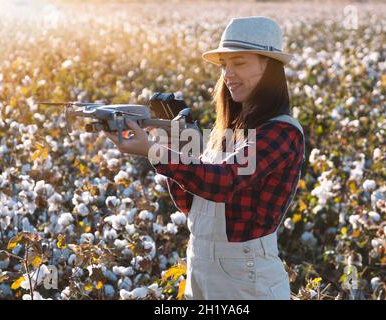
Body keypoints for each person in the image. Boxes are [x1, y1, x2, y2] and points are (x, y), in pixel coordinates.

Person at [105, 16, 305, 300]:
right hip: (200, 264)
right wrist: (172, 142)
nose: (228, 75)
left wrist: (154, 151)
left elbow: (223, 182)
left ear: (268, 66)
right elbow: (192, 203)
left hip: (245, 275)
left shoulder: (281, 132)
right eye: (225, 66)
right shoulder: (227, 132)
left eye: (239, 63)